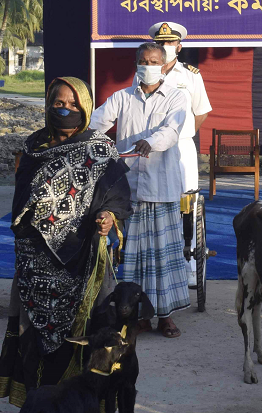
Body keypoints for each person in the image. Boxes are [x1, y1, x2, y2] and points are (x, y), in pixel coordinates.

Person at [0, 76, 131, 408]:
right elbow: (21, 201)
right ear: (48, 105)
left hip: (83, 260)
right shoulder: (33, 147)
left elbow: (118, 196)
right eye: (58, 103)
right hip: (35, 261)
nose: (65, 110)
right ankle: (39, 403)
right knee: (33, 339)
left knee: (92, 334)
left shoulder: (99, 148)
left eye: (73, 104)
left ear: (84, 108)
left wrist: (109, 218)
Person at [91, 42, 193, 338]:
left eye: (154, 61)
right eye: (143, 60)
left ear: (163, 66)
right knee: (133, 255)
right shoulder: (121, 98)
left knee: (163, 257)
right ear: (136, 64)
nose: (148, 65)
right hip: (130, 189)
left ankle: (166, 317)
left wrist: (152, 142)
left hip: (162, 188)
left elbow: (172, 131)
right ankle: (137, 316)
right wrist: (93, 141)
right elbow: (97, 123)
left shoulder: (176, 97)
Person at [149, 21, 212, 286]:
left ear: (179, 46)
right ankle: (158, 262)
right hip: (152, 148)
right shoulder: (145, 73)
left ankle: (189, 266)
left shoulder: (191, 75)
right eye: (161, 43)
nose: (165, 47)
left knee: (188, 206)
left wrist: (179, 135)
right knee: (157, 202)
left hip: (182, 147)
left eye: (170, 43)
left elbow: (201, 112)